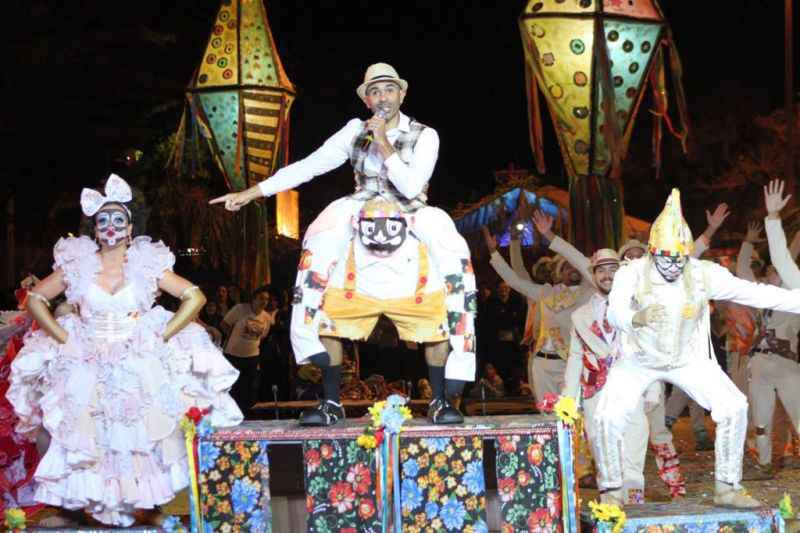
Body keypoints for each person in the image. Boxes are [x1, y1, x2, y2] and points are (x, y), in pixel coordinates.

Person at [211, 63, 476, 425]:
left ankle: (442, 396)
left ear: (402, 93)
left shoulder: (425, 134)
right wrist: (252, 193)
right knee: (321, 258)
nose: (382, 97)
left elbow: (413, 186)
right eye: (375, 91)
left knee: (452, 258)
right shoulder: (355, 131)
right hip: (360, 212)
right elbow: (310, 165)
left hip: (411, 213)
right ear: (367, 99)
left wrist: (383, 142)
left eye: (388, 89)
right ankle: (330, 399)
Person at [7, 175, 243, 526]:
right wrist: (62, 336)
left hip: (137, 357)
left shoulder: (146, 264)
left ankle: (148, 506)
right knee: (78, 431)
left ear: (131, 227)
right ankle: (72, 505)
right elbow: (37, 299)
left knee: (142, 433)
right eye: (103, 220)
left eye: (119, 220)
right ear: (94, 228)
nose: (111, 227)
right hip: (85, 357)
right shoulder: (77, 263)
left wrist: (164, 334)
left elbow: (194, 296)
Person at [594, 188, 800, 508]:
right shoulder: (632, 272)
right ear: (652, 252)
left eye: (679, 257)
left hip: (686, 358)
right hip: (639, 358)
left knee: (733, 405)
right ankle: (611, 490)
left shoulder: (703, 274)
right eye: (666, 257)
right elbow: (614, 312)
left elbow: (755, 293)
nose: (674, 265)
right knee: (608, 414)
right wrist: (637, 317)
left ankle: (727, 487)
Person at [564, 249, 685, 503]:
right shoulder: (580, 315)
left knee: (634, 445)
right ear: (593, 275)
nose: (607, 275)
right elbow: (575, 358)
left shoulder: (638, 306)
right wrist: (569, 399)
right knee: (601, 446)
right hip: (595, 391)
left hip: (632, 388)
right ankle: (610, 504)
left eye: (613, 269)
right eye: (601, 270)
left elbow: (650, 349)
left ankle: (634, 503)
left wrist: (653, 389)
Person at [221, 285, 276, 418]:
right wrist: (233, 337)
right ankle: (229, 416)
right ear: (253, 299)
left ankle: (246, 417)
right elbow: (224, 324)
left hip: (251, 357)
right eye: (261, 298)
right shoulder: (240, 309)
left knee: (249, 389)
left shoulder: (266, 318)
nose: (264, 302)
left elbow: (262, 336)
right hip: (232, 355)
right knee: (231, 387)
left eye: (267, 299)